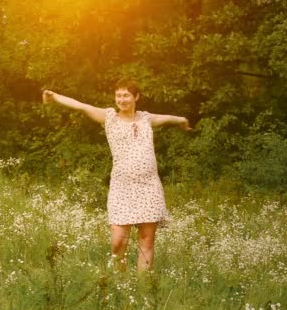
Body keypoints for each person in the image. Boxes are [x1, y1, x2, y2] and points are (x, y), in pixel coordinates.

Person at [42, 79, 191, 271]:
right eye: (118, 95)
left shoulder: (145, 118)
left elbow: (168, 118)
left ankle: (143, 289)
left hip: (149, 186)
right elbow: (80, 106)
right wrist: (54, 96)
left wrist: (182, 121)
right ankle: (120, 283)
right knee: (119, 241)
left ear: (136, 97)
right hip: (122, 187)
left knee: (147, 240)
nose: (122, 99)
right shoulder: (109, 117)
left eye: (126, 95)